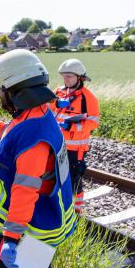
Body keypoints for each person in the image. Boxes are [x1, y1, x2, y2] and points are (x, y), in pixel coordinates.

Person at [0, 49, 76, 268]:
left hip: (29, 225)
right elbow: (17, 137)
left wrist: (11, 238)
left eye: (2, 89)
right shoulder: (39, 114)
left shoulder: (33, 139)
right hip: (40, 221)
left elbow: (25, 189)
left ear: (17, 91)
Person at [49, 59, 100, 214]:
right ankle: (56, 206)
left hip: (75, 149)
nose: (66, 80)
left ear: (79, 77)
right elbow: (48, 109)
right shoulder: (58, 92)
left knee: (73, 180)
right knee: (53, 177)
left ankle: (76, 211)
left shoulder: (88, 98)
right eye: (64, 76)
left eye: (69, 76)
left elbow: (93, 122)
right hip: (56, 144)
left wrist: (71, 126)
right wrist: (57, 104)